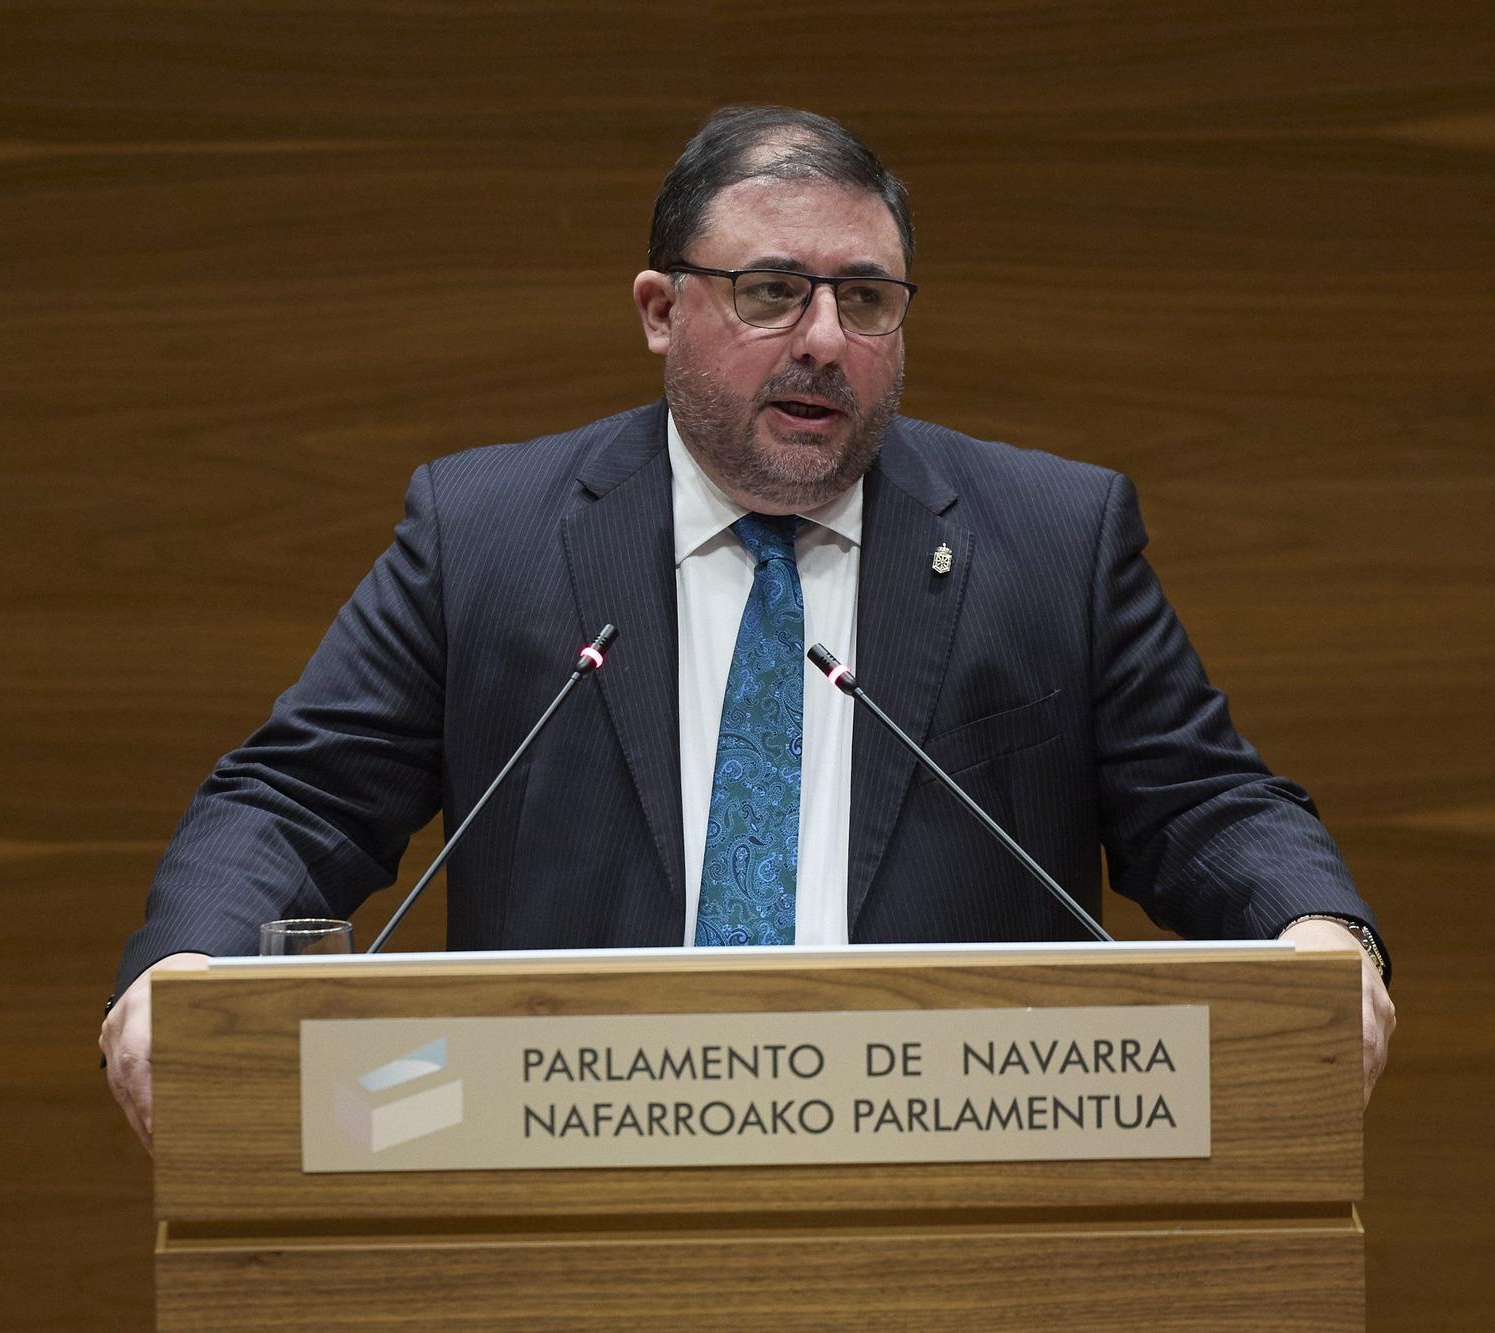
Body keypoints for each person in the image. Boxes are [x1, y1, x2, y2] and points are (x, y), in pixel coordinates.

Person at [101, 105, 1395, 1152]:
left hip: (962, 1172)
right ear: (663, 309)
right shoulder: (487, 532)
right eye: (773, 291)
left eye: (868, 300)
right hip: (554, 1169)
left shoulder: (1052, 538)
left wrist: (1319, 931)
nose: (825, 341)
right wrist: (186, 966)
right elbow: (298, 798)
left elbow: (1204, 802)